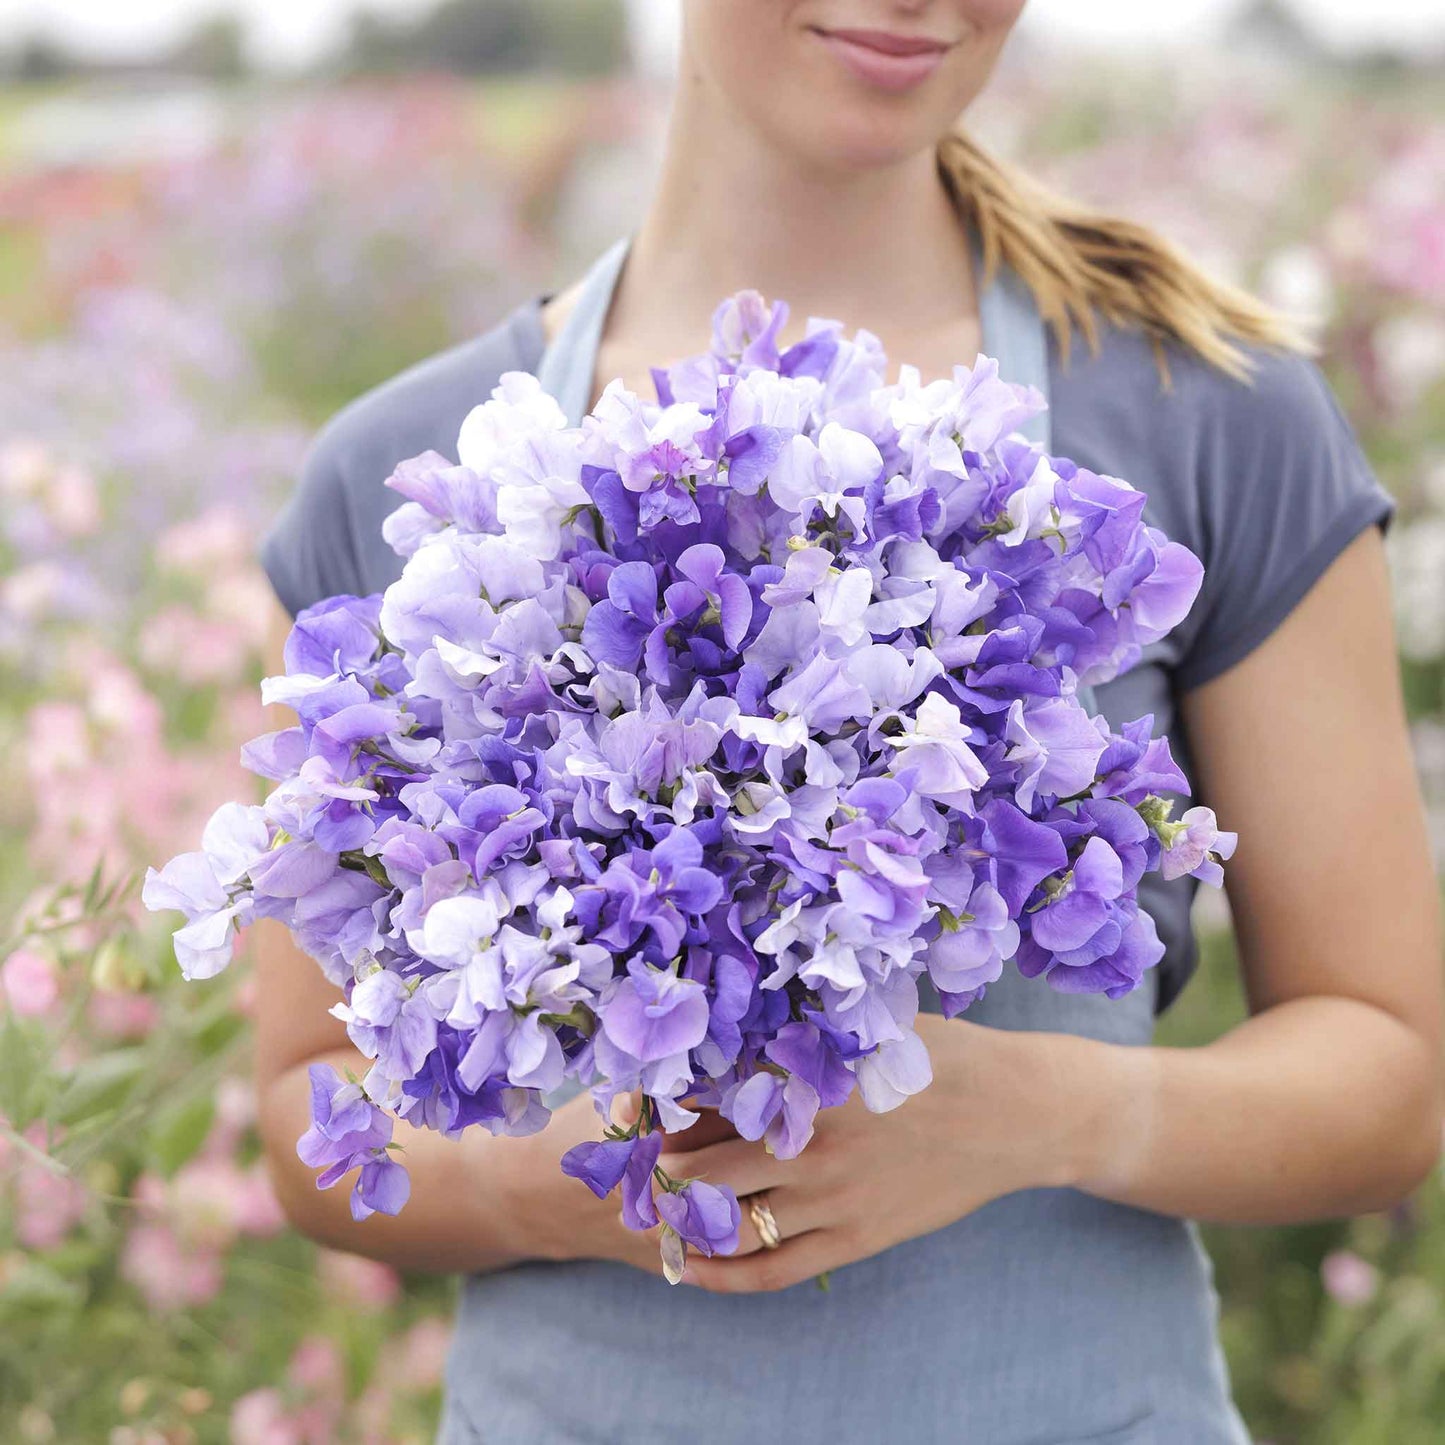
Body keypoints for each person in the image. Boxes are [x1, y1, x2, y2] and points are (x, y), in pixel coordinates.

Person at [250, 5, 1443, 1442]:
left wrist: (1030, 1112)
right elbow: (309, 1108)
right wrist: (582, 1175)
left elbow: (1387, 1079)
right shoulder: (401, 472)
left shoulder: (1207, 415)